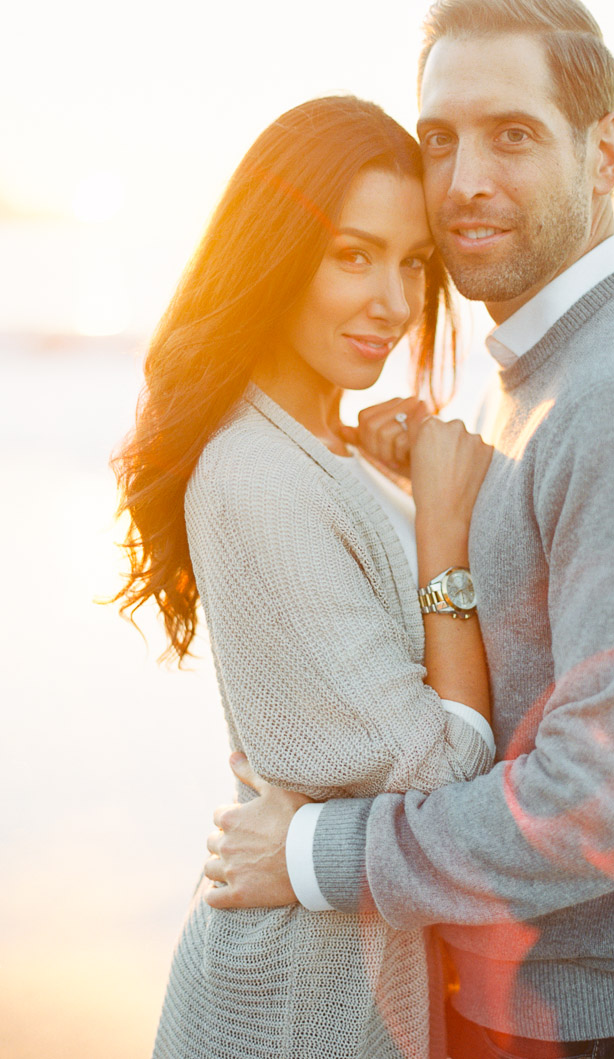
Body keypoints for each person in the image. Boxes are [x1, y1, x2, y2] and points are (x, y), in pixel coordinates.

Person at [203, 0, 614, 1057]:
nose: (462, 182)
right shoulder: (535, 371)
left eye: (510, 136)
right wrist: (413, 483)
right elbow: (524, 630)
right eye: (439, 138)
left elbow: (604, 803)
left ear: (603, 151)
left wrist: (313, 855)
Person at [112, 95, 498, 1059]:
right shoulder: (251, 472)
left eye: (413, 263)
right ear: (278, 257)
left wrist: (399, 477)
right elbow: (445, 764)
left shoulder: (326, 450)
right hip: (293, 1003)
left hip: (357, 974)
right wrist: (443, 533)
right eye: (352, 254)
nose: (394, 302)